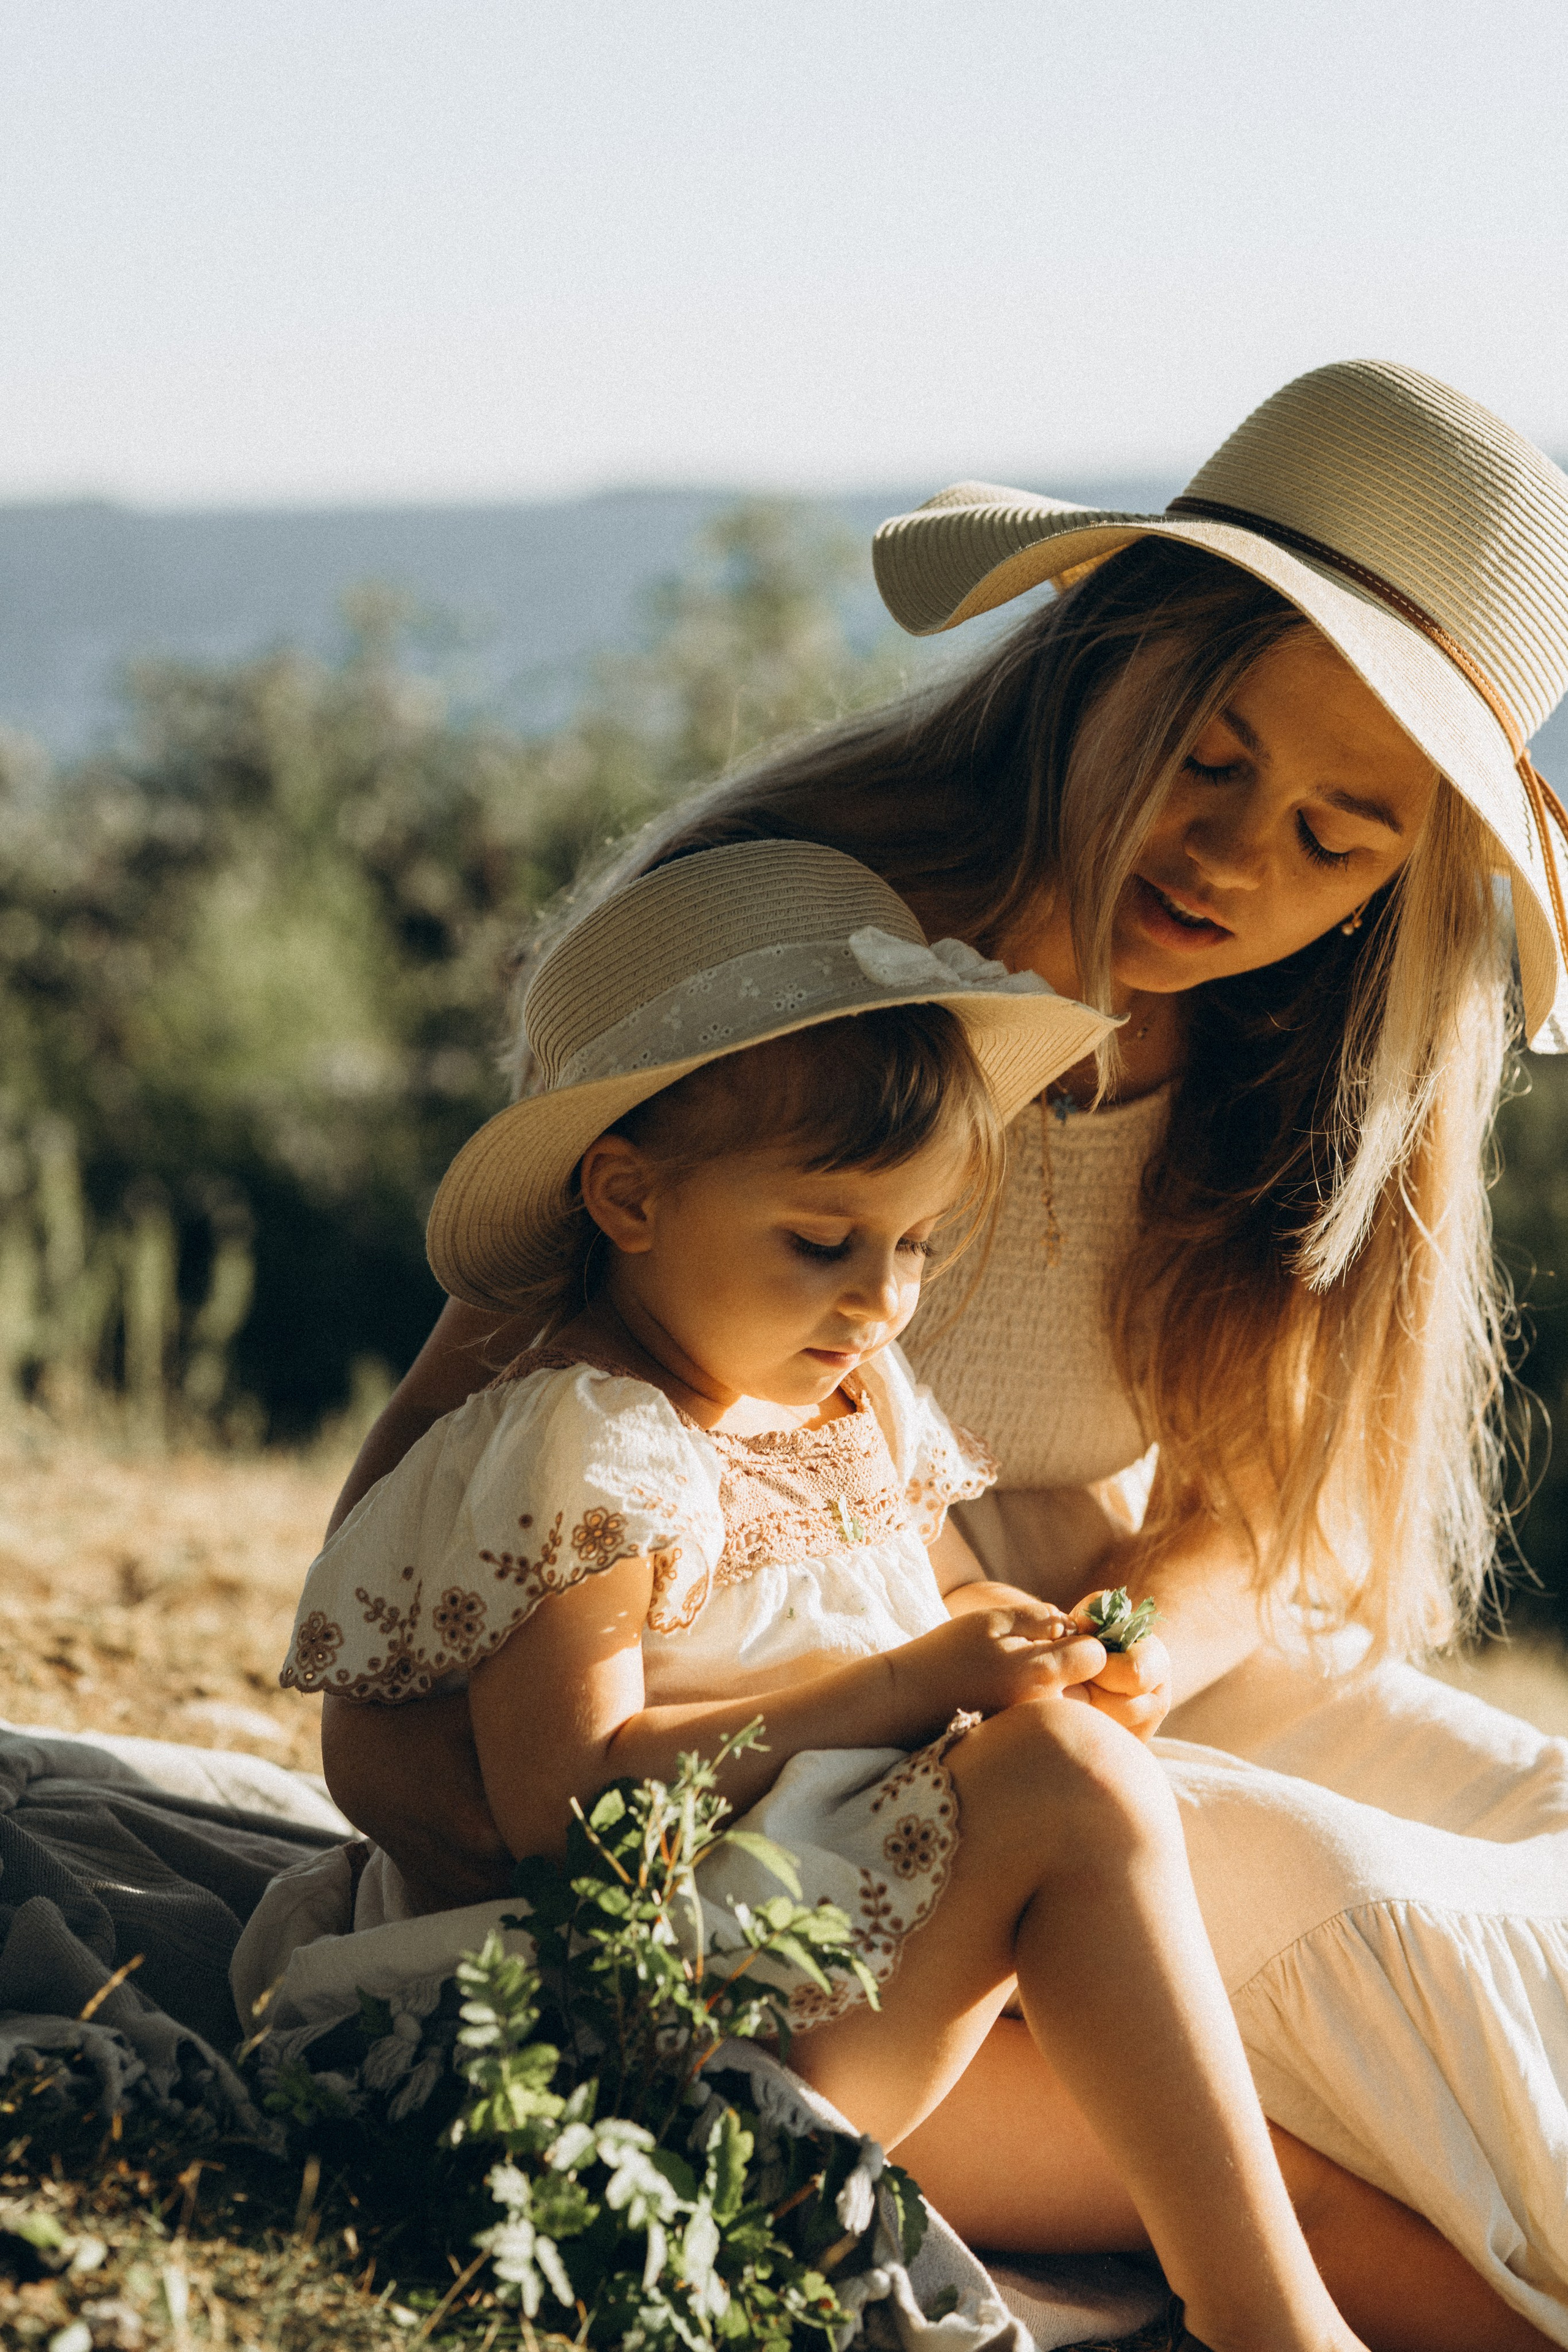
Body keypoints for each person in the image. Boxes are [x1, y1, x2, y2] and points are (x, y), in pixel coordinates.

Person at [310, 363, 1568, 2346]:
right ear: (1117, 652)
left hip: (1084, 1648)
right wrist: (732, 1814)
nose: (1241, 864)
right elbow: (437, 1570)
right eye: (1218, 759)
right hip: (829, 1728)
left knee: (1545, 1826)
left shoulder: (1293, 1050)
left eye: (1338, 838)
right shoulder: (816, 973)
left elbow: (1248, 1513)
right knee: (1360, 1910)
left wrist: (1124, 1662)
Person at [274, 839, 1364, 2352]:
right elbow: (569, 1812)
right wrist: (914, 1691)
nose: (878, 1300)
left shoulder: (852, 1396)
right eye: (820, 1242)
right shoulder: (589, 1442)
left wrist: (1033, 1664)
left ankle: (1287, 2307)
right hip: (632, 2023)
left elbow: (938, 1620)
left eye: (914, 1245)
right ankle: (1268, 2327)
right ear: (628, 1197)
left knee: (1117, 1837)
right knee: (1063, 1790)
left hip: (824, 1948)